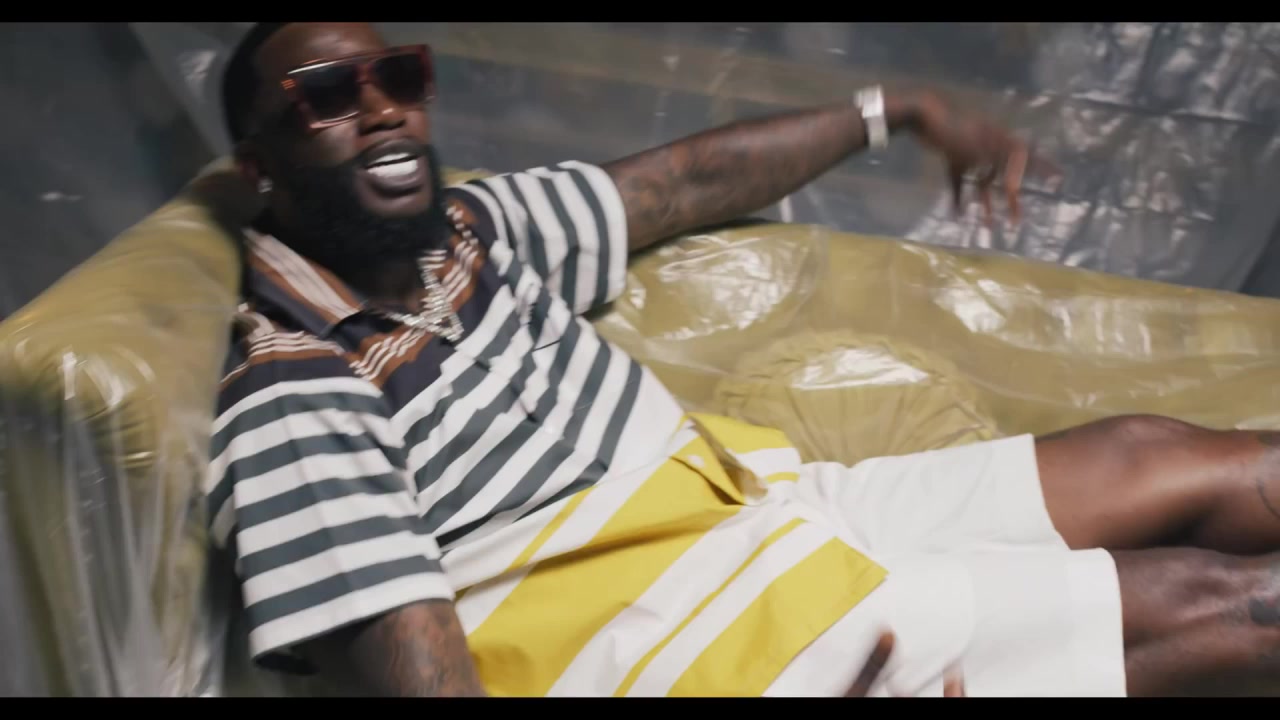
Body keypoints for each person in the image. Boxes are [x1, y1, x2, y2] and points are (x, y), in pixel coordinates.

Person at [208, 21, 1280, 698]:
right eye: (326, 95)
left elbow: (678, 183)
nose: (381, 109)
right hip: (673, 634)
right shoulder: (296, 394)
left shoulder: (466, 231)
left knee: (1155, 454)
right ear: (259, 166)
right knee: (1218, 607)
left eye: (397, 75)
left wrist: (891, 110)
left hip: (757, 505)